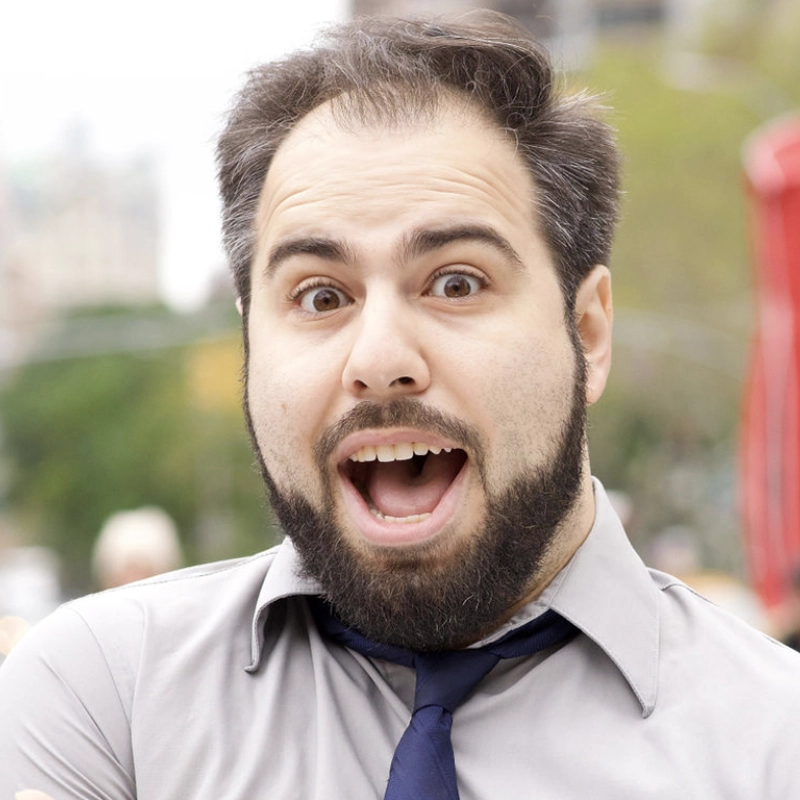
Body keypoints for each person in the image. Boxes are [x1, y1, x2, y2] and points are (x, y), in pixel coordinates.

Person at [2, 12, 799, 799]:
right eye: (320, 296)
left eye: (456, 282)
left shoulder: (774, 739)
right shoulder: (103, 703)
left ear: (586, 332)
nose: (380, 360)